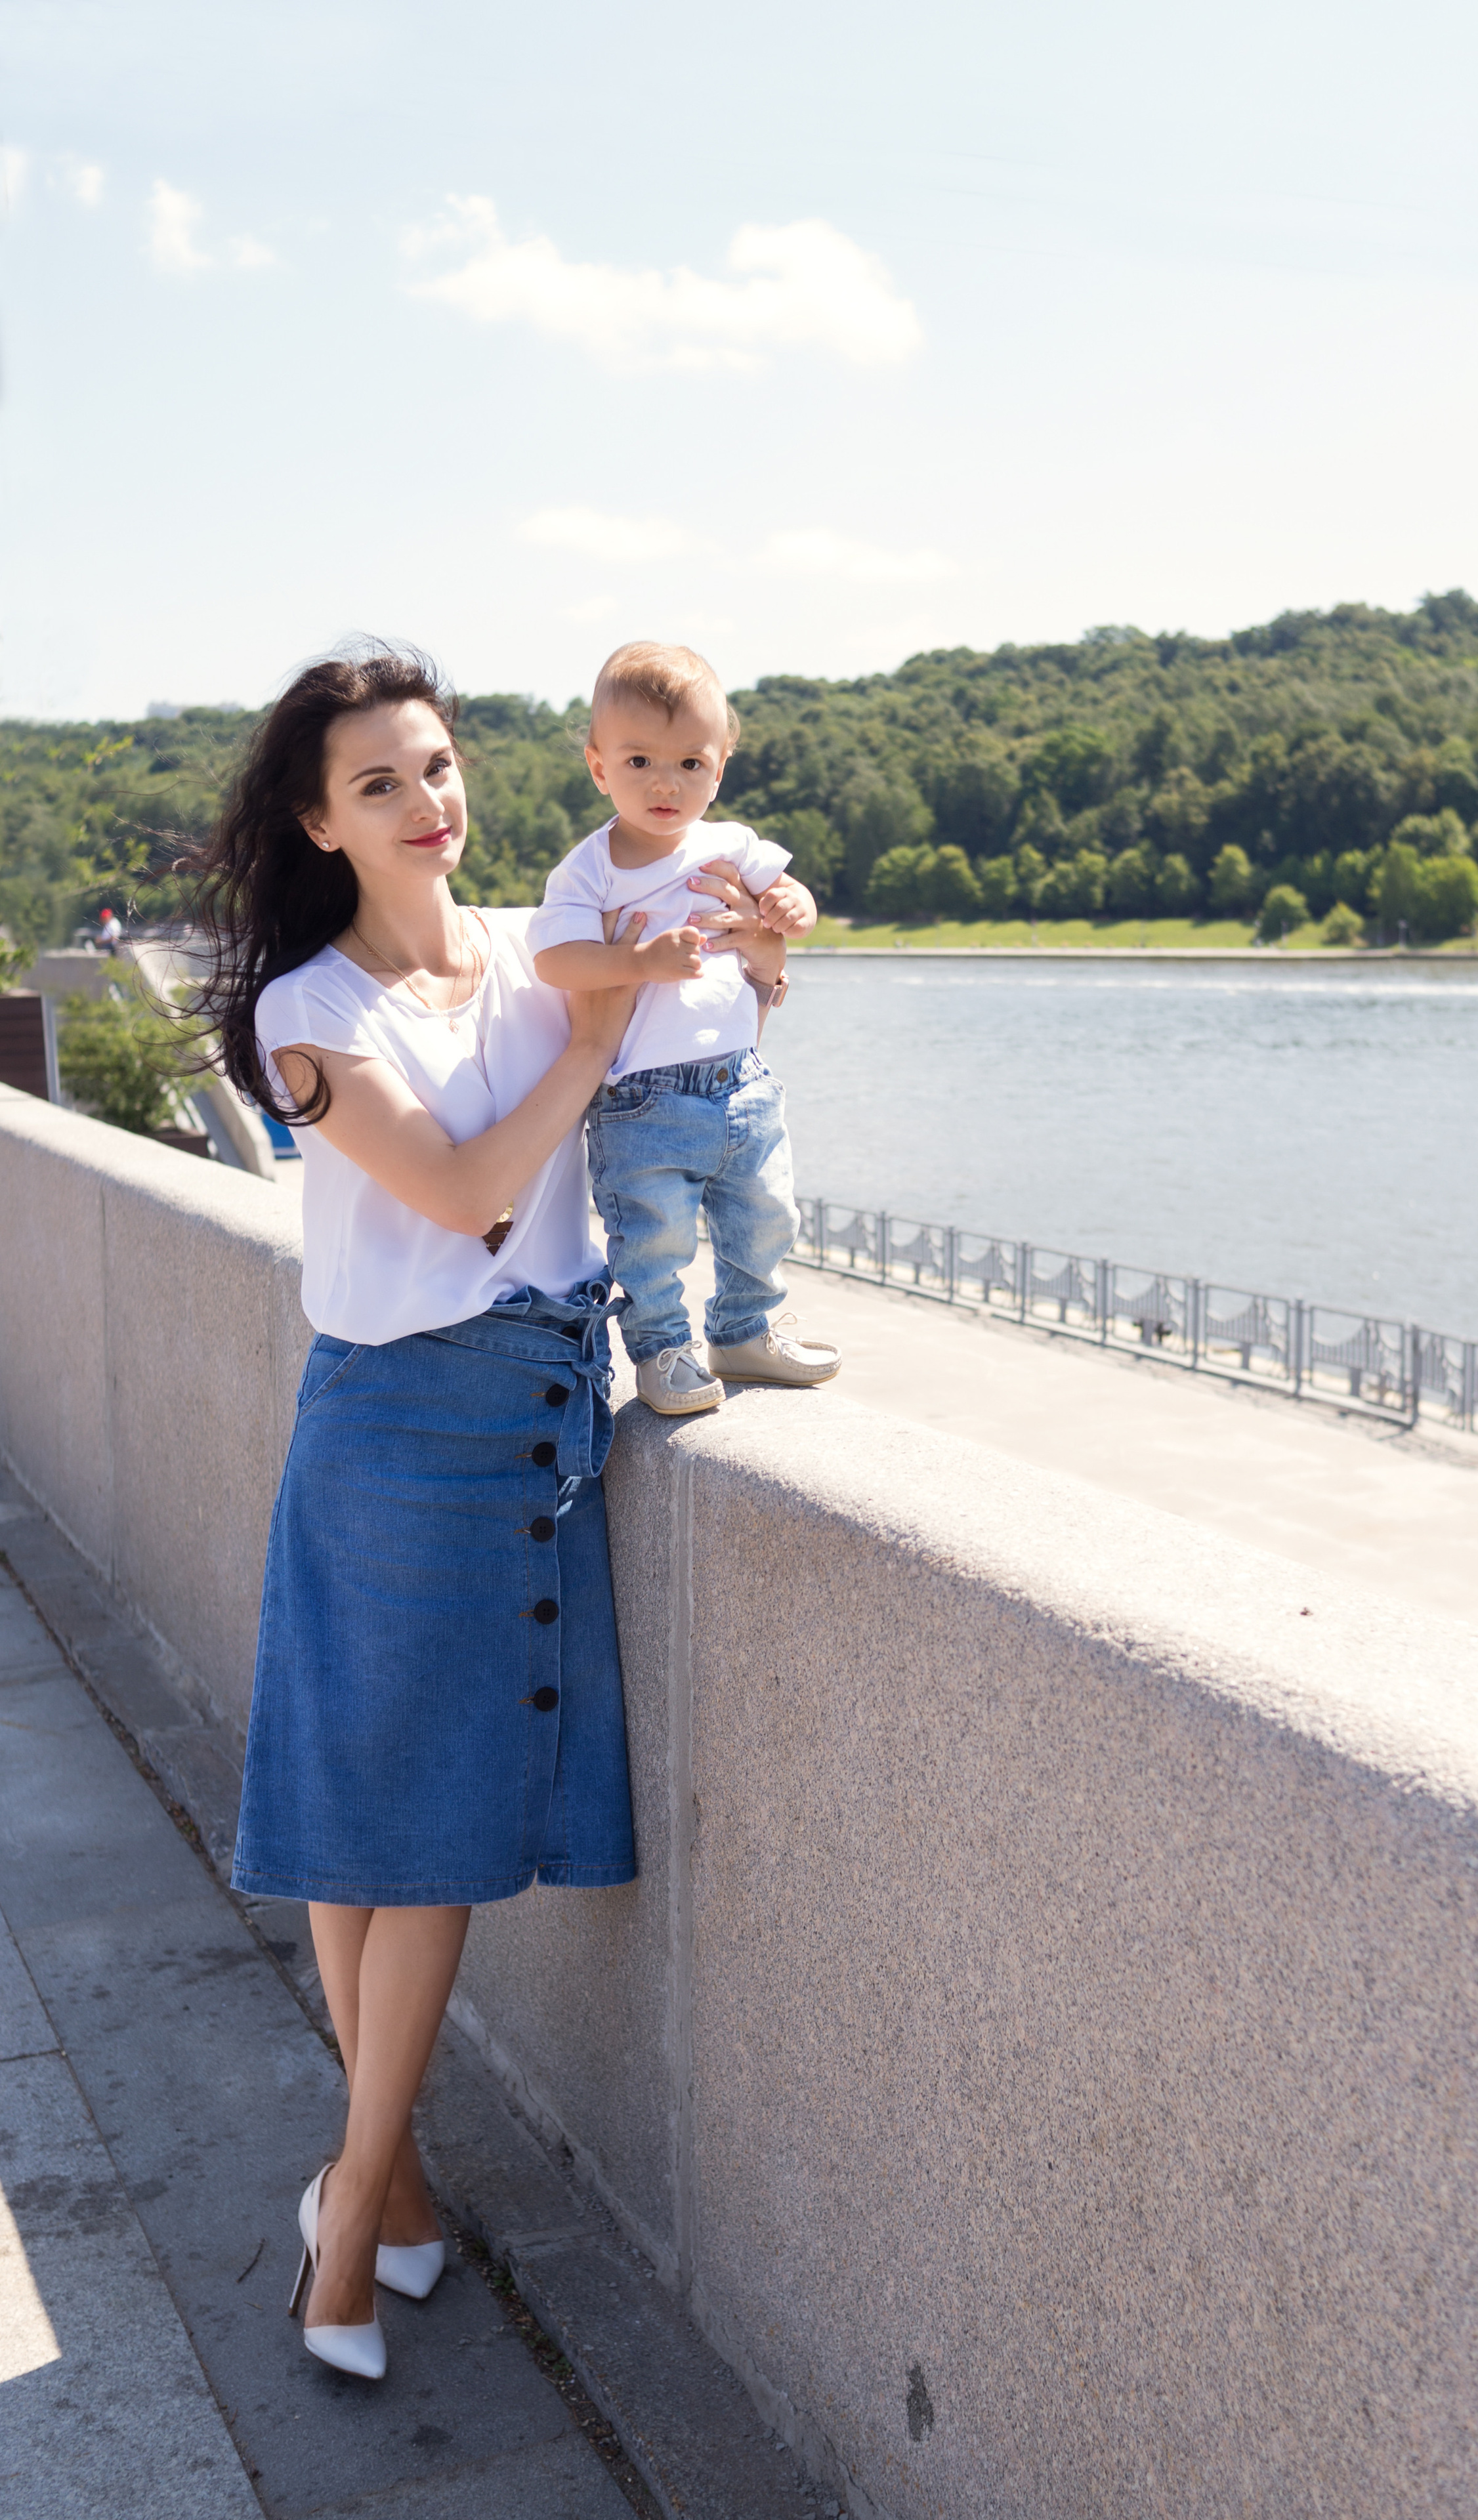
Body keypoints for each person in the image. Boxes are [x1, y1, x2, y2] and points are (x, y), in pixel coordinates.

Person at [184, 643, 786, 2381]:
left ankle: (393, 2192)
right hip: (393, 1433)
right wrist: (589, 1047)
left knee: (388, 1830)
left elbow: (707, 1022)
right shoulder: (310, 1010)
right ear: (321, 819)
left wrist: (740, 944)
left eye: (438, 767)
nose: (427, 803)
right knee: (404, 1839)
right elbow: (461, 1194)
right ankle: (352, 2228)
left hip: (537, 1421)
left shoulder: (538, 943)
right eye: (381, 782)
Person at [531, 640, 841, 1416]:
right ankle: (662, 1350)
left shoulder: (730, 844)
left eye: (690, 764)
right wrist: (635, 960)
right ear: (600, 768)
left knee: (766, 1215)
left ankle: (744, 1330)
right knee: (653, 1237)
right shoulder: (590, 869)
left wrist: (794, 909)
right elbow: (557, 960)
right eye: (639, 763)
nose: (666, 783)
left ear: (720, 767)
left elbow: (787, 898)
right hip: (644, 1097)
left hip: (743, 1080)